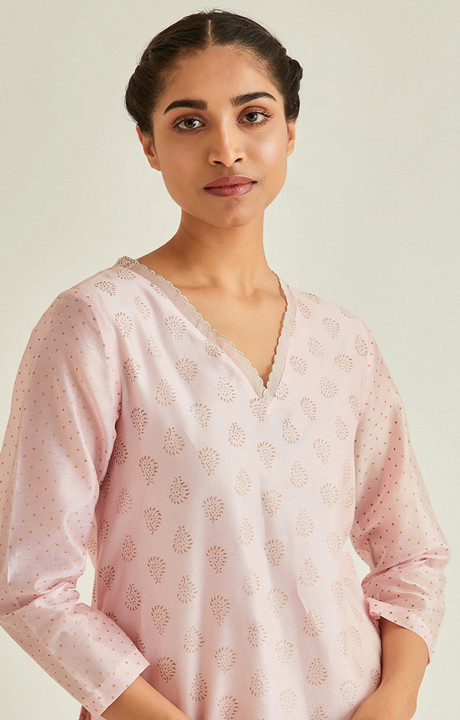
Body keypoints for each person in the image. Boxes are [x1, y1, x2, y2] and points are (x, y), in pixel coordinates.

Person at [0, 9, 450, 720]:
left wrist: (396, 698)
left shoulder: (343, 342)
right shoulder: (99, 324)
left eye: (252, 115)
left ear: (290, 131)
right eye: (189, 122)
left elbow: (413, 555)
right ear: (148, 144)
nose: (226, 149)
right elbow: (30, 582)